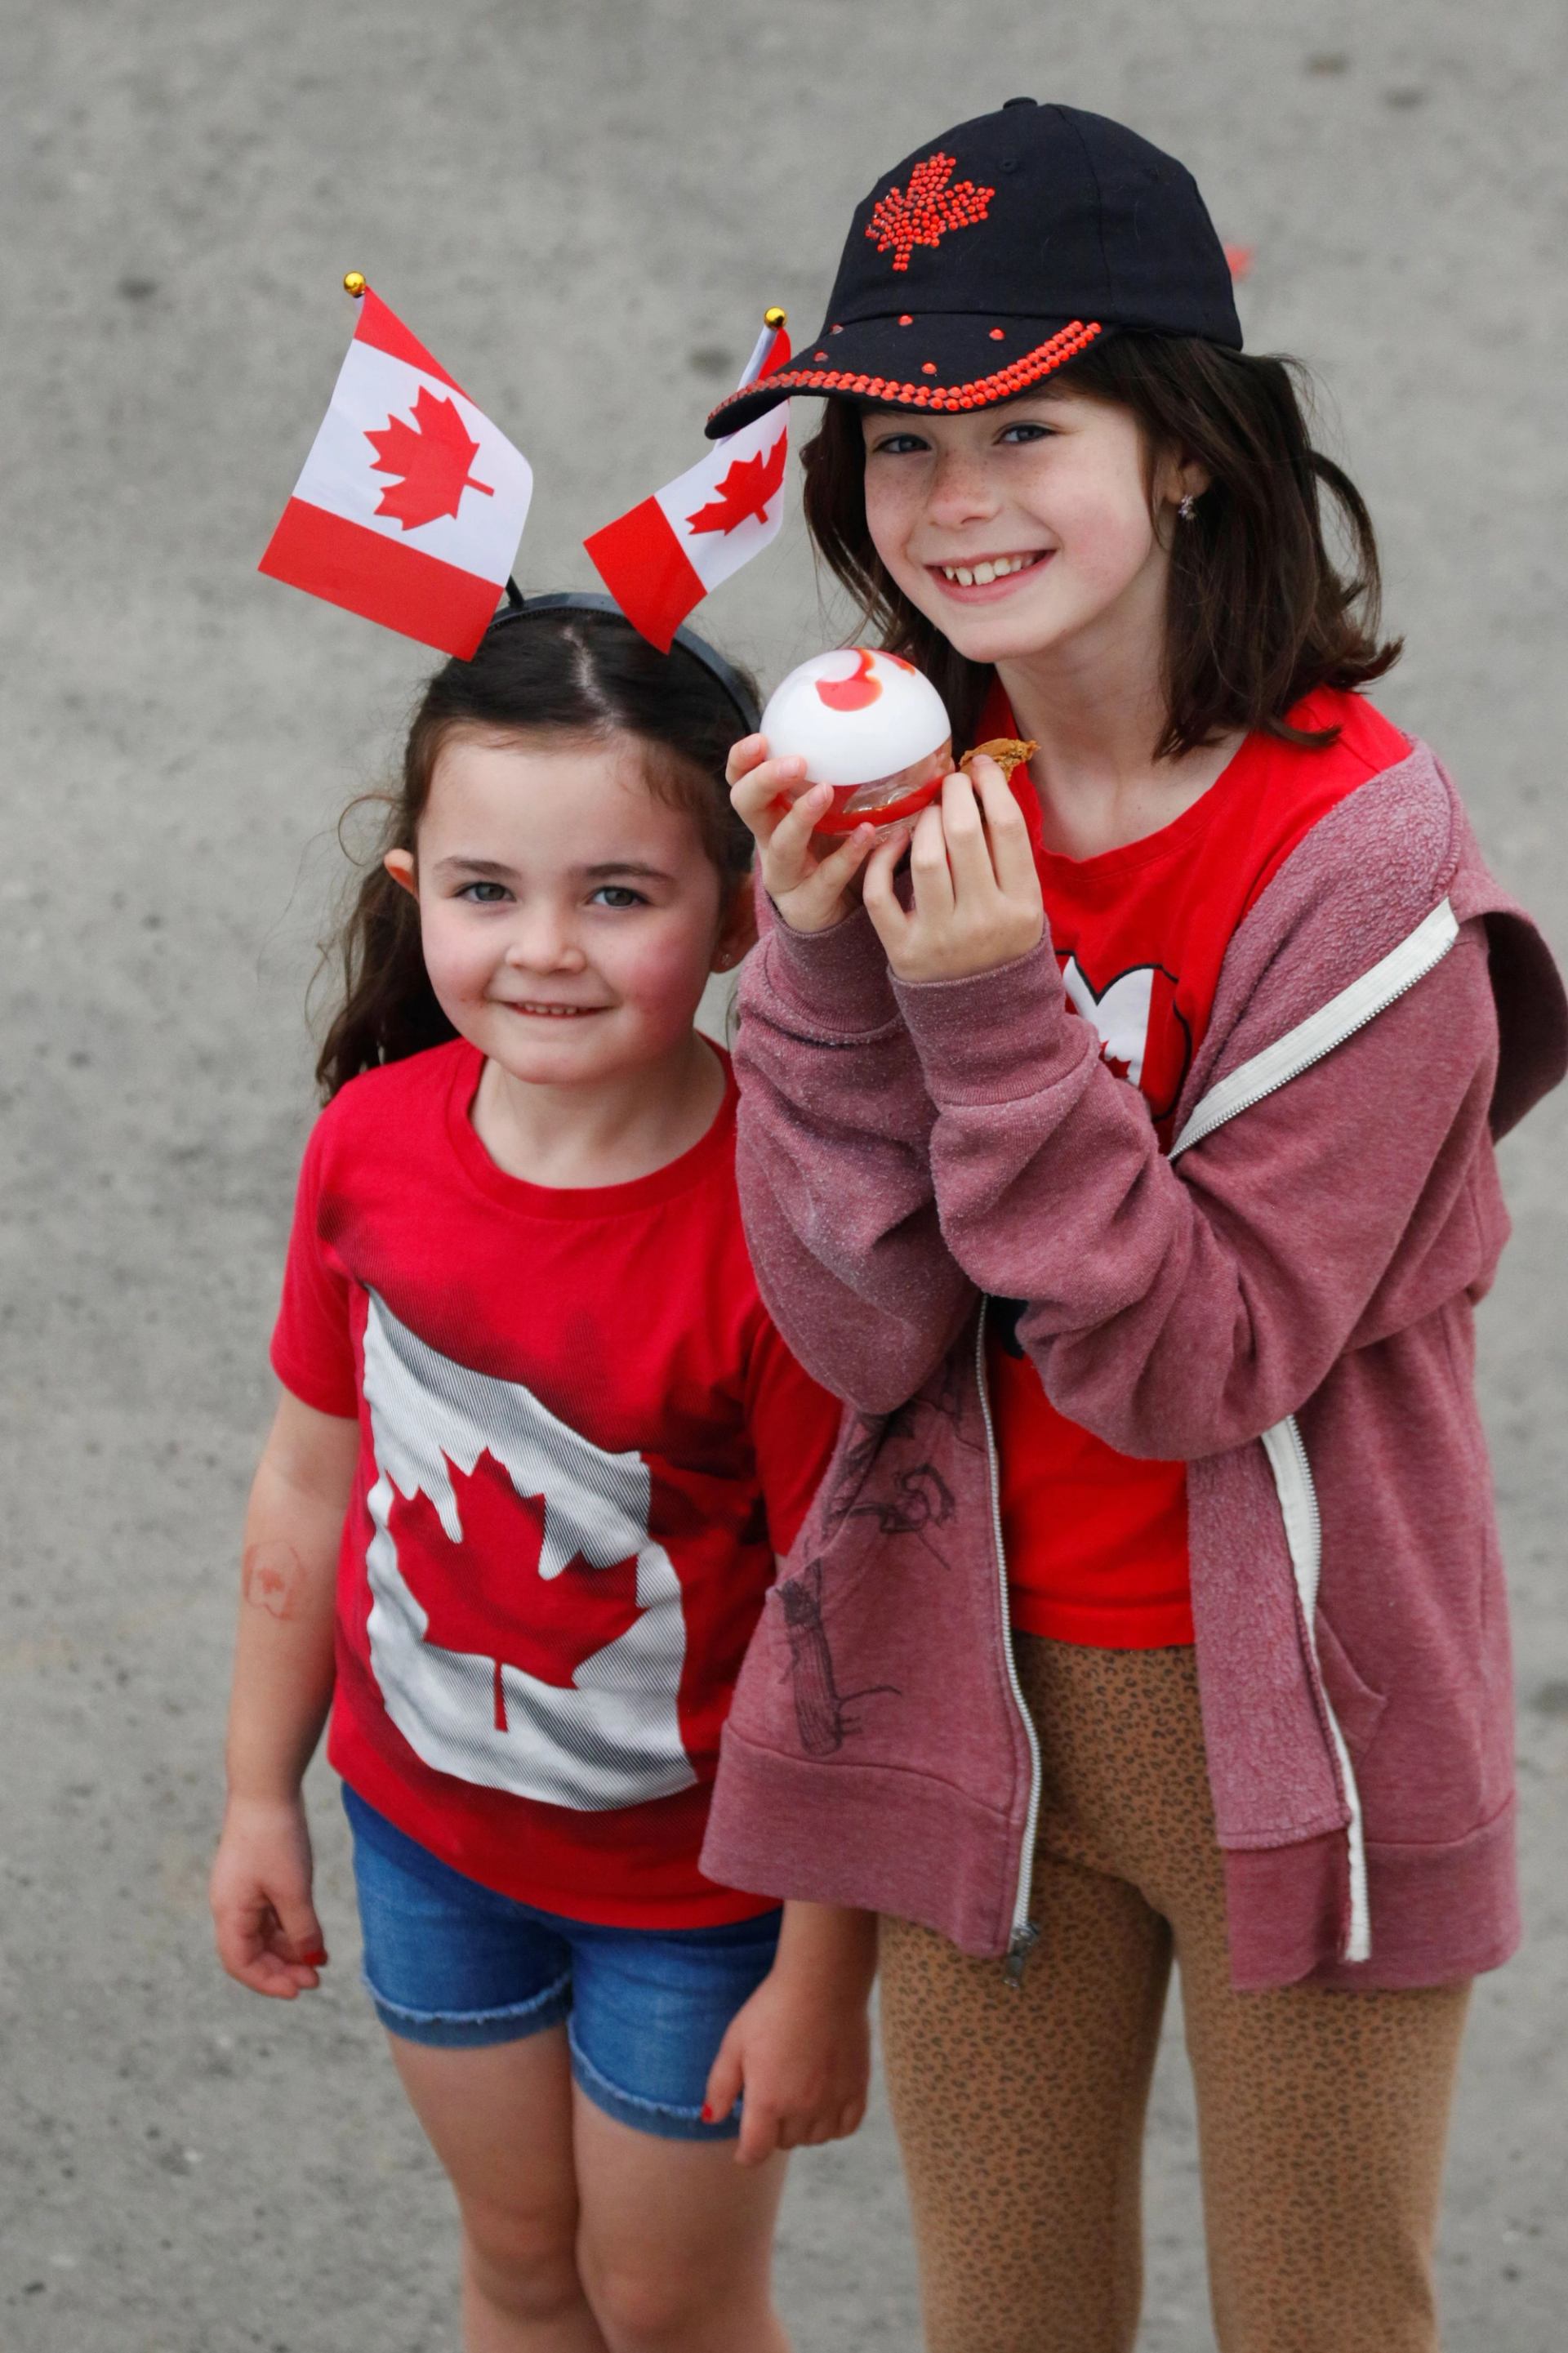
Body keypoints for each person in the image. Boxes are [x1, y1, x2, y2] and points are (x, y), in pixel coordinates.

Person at [700, 99, 1568, 2353]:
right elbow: (861, 1331)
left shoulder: (1364, 867)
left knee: (1322, 2323)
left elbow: (1193, 1363)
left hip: (1306, 1721)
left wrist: (991, 1012)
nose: (953, 502)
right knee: (1004, 2318)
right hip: (969, 1695)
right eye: (900, 446)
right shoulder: (904, 801)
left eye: (1024, 428)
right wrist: (818, 972)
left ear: (1185, 446)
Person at [208, 598, 874, 2353]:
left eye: (620, 894)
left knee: (667, 2305)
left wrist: (825, 1971)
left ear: (741, 912)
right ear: (414, 885)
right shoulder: (370, 1146)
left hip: (701, 1902)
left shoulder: (783, 1231)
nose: (546, 950)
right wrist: (262, 1791)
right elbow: (307, 1486)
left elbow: (844, 1637)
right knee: (517, 2262)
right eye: (488, 890)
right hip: (426, 1841)